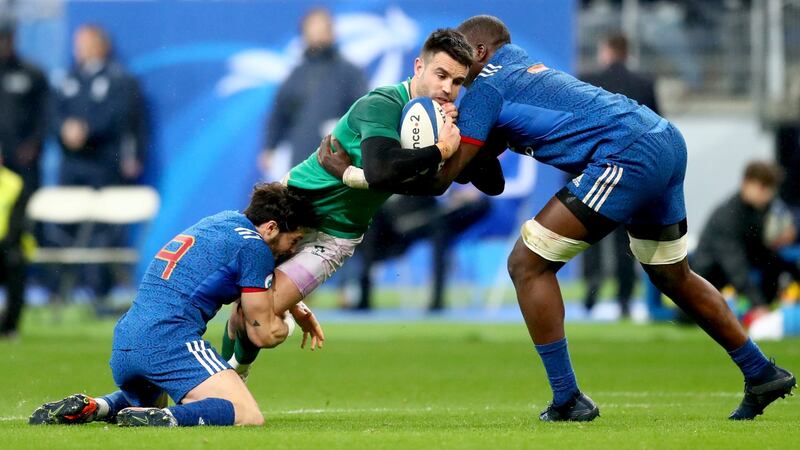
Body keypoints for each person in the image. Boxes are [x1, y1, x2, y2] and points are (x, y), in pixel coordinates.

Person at [318, 15, 795, 422]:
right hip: (663, 140)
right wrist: (462, 143)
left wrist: (358, 172)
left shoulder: (485, 85)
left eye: (463, 63)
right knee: (674, 274)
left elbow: (443, 182)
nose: (458, 79)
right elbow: (492, 178)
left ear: (481, 50)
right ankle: (761, 372)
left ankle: (567, 398)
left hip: (624, 153)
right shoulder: (518, 64)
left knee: (527, 264)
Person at [222, 29, 486, 374]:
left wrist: (455, 149)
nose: (447, 89)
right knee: (237, 306)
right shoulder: (381, 103)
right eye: (441, 75)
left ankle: (230, 382)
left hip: (337, 237)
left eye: (457, 82)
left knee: (263, 316)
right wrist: (440, 152)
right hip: (292, 207)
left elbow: (435, 186)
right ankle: (208, 379)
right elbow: (381, 170)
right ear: (418, 66)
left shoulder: (444, 123)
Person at [29, 182, 322, 427]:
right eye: (293, 240)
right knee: (246, 414)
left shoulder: (222, 221)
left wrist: (291, 304)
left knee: (155, 398)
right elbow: (261, 332)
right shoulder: (255, 247)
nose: (292, 250)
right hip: (169, 341)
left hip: (126, 341)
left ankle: (97, 406)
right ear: (271, 228)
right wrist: (286, 323)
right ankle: (165, 417)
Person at [50, 24, 147, 308]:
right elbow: (53, 114)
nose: (78, 49)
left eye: (85, 42)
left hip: (105, 165)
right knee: (65, 227)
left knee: (104, 232)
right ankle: (61, 291)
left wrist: (87, 129)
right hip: (72, 166)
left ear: (101, 45)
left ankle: (101, 292)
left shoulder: (119, 79)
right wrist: (64, 129)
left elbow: (124, 119)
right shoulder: (67, 78)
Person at [578, 31, 661, 317]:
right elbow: (654, 130)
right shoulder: (644, 84)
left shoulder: (588, 80)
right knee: (625, 239)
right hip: (630, 174)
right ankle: (625, 298)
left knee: (589, 234)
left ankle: (591, 293)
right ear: (627, 53)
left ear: (607, 50)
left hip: (592, 170)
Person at [259, 8, 367, 179]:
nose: (319, 33)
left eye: (323, 28)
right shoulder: (296, 75)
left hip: (340, 158)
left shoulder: (349, 72)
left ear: (332, 32)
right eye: (313, 28)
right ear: (304, 34)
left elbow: (363, 112)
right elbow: (279, 114)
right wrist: (269, 147)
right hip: (302, 158)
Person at [692, 161, 798, 310]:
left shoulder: (762, 208)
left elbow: (764, 246)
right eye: (762, 188)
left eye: (770, 189)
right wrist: (758, 305)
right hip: (709, 278)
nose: (767, 194)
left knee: (778, 260)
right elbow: (735, 266)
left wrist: (784, 237)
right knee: (697, 314)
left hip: (737, 272)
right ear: (746, 184)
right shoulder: (727, 215)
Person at [0, 17, 49, 338]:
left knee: (14, 247)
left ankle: (11, 322)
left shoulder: (31, 75)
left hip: (20, 176)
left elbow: (45, 118)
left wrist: (30, 148)